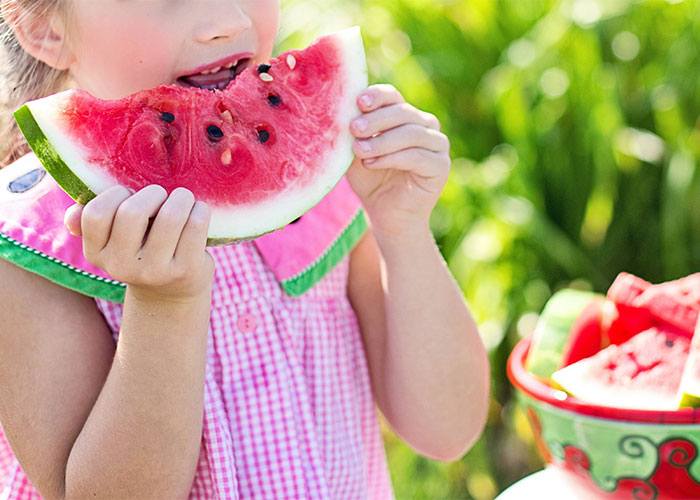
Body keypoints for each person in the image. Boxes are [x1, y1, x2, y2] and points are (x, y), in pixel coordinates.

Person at [0, 0, 490, 498]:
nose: (229, 21)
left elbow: (447, 429)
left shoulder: (325, 189)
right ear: (44, 29)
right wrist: (164, 305)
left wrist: (403, 229)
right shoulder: (29, 248)